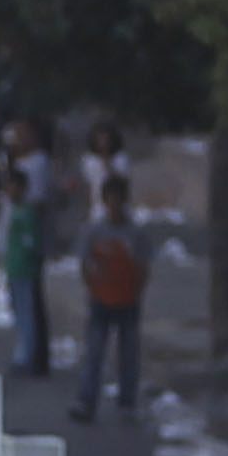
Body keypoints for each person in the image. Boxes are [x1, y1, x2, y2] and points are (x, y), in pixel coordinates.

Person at [70, 173, 149, 421]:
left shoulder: (135, 233)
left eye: (119, 200)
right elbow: (85, 263)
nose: (115, 206)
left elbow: (144, 266)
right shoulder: (94, 231)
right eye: (110, 200)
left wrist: (136, 291)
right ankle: (87, 401)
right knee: (94, 353)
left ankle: (127, 403)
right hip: (101, 300)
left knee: (128, 355)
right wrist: (92, 287)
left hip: (127, 300)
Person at [0, 121, 53, 375]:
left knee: (28, 310)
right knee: (19, 310)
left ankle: (31, 356)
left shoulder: (28, 212)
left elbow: (31, 241)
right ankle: (24, 352)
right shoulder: (16, 165)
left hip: (25, 265)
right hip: (14, 262)